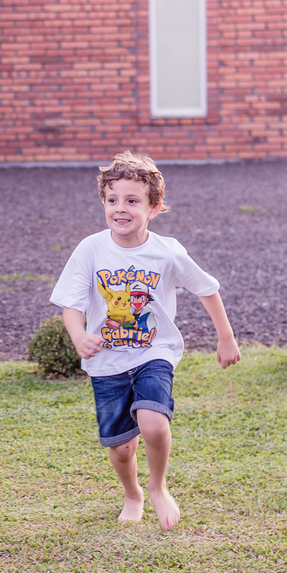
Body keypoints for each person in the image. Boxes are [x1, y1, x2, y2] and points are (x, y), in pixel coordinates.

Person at [49, 151, 241, 531]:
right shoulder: (90, 249)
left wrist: (226, 337)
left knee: (153, 424)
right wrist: (79, 336)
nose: (120, 208)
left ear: (153, 208)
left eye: (132, 201)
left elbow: (206, 289)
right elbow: (71, 304)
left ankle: (157, 486)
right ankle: (132, 493)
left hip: (155, 351)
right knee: (122, 448)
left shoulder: (167, 251)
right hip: (107, 361)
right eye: (112, 200)